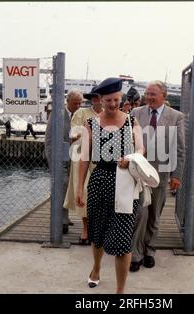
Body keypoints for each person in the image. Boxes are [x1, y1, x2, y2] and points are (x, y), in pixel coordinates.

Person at [76, 77, 144, 294]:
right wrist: (79, 188)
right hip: (99, 180)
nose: (112, 104)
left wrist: (131, 157)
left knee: (123, 239)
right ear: (100, 100)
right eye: (108, 100)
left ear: (121, 98)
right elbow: (84, 157)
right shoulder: (91, 123)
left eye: (116, 99)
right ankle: (96, 268)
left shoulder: (132, 122)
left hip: (125, 182)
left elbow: (142, 149)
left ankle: (120, 290)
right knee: (97, 232)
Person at [130, 80, 185, 272]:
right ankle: (135, 254)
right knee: (139, 214)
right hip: (138, 173)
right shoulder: (136, 113)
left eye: (153, 94)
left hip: (161, 174)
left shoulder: (176, 117)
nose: (149, 97)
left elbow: (179, 149)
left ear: (164, 96)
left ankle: (149, 251)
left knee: (154, 215)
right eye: (147, 94)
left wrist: (176, 176)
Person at [63, 86, 102, 245]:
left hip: (103, 162)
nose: (96, 100)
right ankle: (86, 229)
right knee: (84, 193)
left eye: (99, 97)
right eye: (93, 97)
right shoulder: (81, 113)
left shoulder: (112, 115)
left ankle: (98, 228)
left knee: (102, 195)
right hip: (83, 159)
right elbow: (74, 136)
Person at [45, 89, 82, 234]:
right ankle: (60, 221)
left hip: (74, 159)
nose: (78, 106)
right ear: (68, 102)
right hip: (59, 158)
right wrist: (52, 161)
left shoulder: (80, 115)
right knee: (61, 187)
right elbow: (49, 140)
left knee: (68, 189)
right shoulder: (57, 114)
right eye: (75, 103)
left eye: (80, 103)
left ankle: (64, 217)